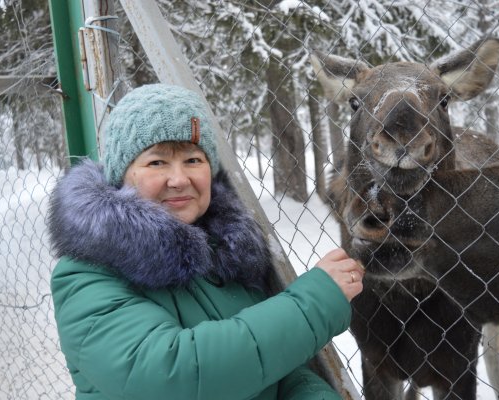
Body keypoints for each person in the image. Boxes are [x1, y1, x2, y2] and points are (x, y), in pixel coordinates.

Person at [48, 83, 364, 400]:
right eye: (157, 162)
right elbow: (174, 375)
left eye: (193, 160)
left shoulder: (226, 250)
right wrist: (312, 304)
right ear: (122, 173)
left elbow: (277, 372)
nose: (180, 179)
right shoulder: (86, 273)